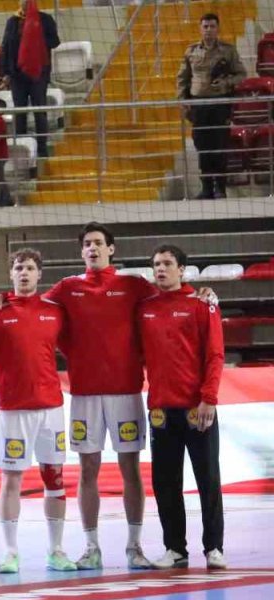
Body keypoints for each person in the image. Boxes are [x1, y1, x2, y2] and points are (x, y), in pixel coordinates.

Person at [36, 223, 156, 570]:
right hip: (85, 394)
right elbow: (32, 308)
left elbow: (168, 299)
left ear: (111, 249)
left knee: (130, 468)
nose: (92, 248)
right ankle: (91, 547)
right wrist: (1, 299)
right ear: (81, 251)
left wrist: (202, 294)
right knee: (87, 469)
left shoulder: (133, 284)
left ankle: (134, 547)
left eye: (98, 243)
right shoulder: (67, 287)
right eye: (87, 244)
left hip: (126, 392)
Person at [0, 248, 75, 573]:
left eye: (30, 268)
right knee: (11, 480)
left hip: (51, 408)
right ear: (11, 274)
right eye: (18, 268)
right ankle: (10, 552)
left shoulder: (54, 311)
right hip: (13, 409)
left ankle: (56, 550)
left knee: (54, 479)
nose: (24, 273)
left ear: (39, 274)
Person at [138, 245, 226, 570]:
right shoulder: (144, 308)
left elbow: (215, 354)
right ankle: (175, 549)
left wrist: (209, 398)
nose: (160, 269)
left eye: (167, 263)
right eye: (156, 264)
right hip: (160, 410)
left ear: (182, 270)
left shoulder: (202, 304)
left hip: (196, 409)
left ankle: (214, 548)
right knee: (165, 483)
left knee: (207, 479)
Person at [176, 13, 246, 199]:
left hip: (220, 104)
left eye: (212, 26)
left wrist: (225, 83)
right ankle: (206, 188)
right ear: (200, 29)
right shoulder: (191, 51)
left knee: (220, 144)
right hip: (199, 106)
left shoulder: (228, 51)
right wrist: (182, 100)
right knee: (202, 145)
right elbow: (182, 78)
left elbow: (241, 74)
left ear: (218, 28)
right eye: (205, 26)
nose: (208, 30)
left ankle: (220, 187)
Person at [0, 0, 60, 157]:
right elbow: (5, 47)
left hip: (38, 74)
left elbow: (55, 42)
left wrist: (36, 37)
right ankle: (22, 148)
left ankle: (42, 149)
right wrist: (5, 73)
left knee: (39, 111)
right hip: (17, 75)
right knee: (20, 112)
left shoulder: (45, 19)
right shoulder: (12, 21)